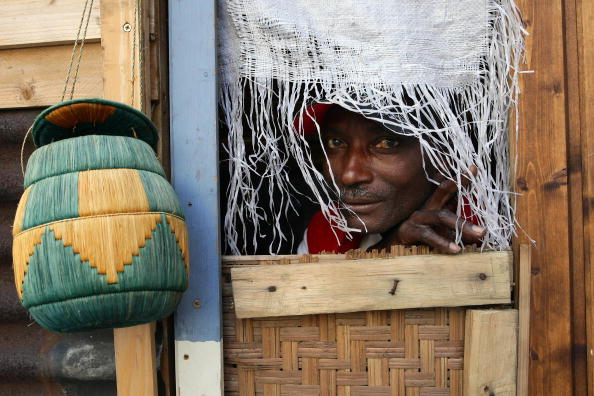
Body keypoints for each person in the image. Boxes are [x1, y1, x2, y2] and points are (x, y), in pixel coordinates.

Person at [296, 104, 486, 254]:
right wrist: (391, 249)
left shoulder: (488, 233)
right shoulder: (326, 231)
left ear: (442, 158)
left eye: (386, 143)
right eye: (335, 142)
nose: (349, 175)